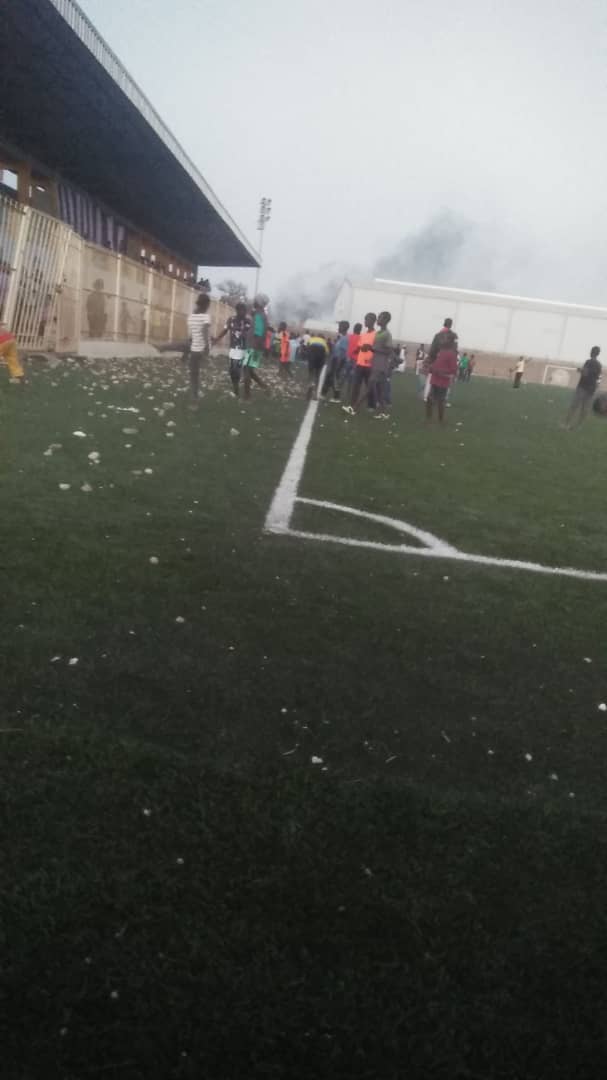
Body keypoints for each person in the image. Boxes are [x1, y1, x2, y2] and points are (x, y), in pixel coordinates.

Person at [356, 310, 393, 418]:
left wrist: (372, 348)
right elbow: (375, 349)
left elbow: (389, 350)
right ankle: (384, 413)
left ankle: (354, 408)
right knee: (380, 391)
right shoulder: (378, 333)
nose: (378, 320)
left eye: (380, 318)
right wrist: (368, 348)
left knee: (369, 387)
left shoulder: (387, 334)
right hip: (375, 363)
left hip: (381, 364)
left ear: (386, 320)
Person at [212, 301, 251, 396]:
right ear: (237, 310)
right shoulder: (231, 320)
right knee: (232, 370)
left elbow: (250, 335)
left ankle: (245, 393)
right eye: (241, 310)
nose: (243, 312)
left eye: (245, 310)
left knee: (242, 370)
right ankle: (236, 387)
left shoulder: (248, 321)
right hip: (234, 349)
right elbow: (225, 330)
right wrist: (217, 339)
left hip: (245, 349)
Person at [343, 312, 376, 414]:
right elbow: (360, 346)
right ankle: (352, 405)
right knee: (356, 385)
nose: (365, 321)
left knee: (369, 386)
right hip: (359, 363)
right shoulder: (364, 334)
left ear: (372, 321)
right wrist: (356, 350)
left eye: (367, 319)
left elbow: (377, 349)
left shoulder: (376, 335)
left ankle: (372, 405)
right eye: (365, 319)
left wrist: (370, 348)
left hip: (369, 365)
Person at [565, 346, 602, 429]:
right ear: (598, 354)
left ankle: (566, 424)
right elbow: (598, 378)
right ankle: (578, 426)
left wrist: (579, 370)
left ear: (591, 352)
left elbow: (585, 373)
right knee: (585, 409)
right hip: (591, 389)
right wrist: (596, 387)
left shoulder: (588, 362)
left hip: (583, 387)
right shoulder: (599, 365)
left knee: (574, 406)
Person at [426, 330, 458, 423]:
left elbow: (453, 370)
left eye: (444, 338)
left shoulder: (452, 354)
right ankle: (428, 417)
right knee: (429, 398)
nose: (442, 340)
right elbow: (437, 363)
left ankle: (441, 419)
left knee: (440, 401)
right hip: (435, 379)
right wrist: (431, 367)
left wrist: (441, 372)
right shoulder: (440, 351)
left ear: (449, 341)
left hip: (443, 381)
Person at [243, 294, 269, 400]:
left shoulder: (259, 315)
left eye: (255, 300)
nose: (253, 301)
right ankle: (264, 386)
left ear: (258, 303)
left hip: (253, 347)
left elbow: (258, 333)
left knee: (246, 370)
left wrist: (252, 349)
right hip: (257, 347)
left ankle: (247, 396)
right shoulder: (260, 315)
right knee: (249, 370)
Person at [186, 293, 211, 401]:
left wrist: (186, 352)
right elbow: (204, 331)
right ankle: (194, 399)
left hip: (194, 349)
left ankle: (194, 399)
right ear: (206, 305)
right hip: (201, 349)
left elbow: (192, 335)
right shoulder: (206, 317)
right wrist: (206, 347)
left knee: (194, 376)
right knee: (196, 375)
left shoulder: (191, 317)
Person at [322, 320, 350, 401]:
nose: (338, 327)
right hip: (335, 360)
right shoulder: (341, 338)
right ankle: (324, 394)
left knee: (334, 379)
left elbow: (343, 352)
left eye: (340, 326)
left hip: (338, 362)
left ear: (344, 327)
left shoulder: (344, 339)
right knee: (330, 377)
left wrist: (338, 365)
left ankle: (335, 397)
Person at [305, 333, 329, 399]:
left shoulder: (312, 339)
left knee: (311, 373)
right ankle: (315, 395)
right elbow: (327, 353)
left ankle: (310, 384)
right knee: (317, 375)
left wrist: (309, 357)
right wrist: (324, 362)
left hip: (312, 351)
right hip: (321, 354)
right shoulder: (324, 342)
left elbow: (307, 348)